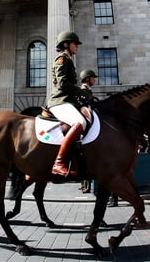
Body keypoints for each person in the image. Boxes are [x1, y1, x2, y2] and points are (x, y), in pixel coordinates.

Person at [46, 30, 89, 178]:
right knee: (79, 122)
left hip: (68, 101)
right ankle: (59, 163)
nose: (77, 46)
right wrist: (81, 92)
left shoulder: (69, 60)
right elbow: (63, 83)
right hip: (59, 101)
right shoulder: (62, 59)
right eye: (74, 43)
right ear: (66, 44)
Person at [78, 69, 97, 192]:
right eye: (93, 78)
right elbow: (87, 104)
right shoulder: (84, 89)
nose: (94, 80)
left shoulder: (87, 89)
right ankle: (86, 185)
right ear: (87, 79)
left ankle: (86, 185)